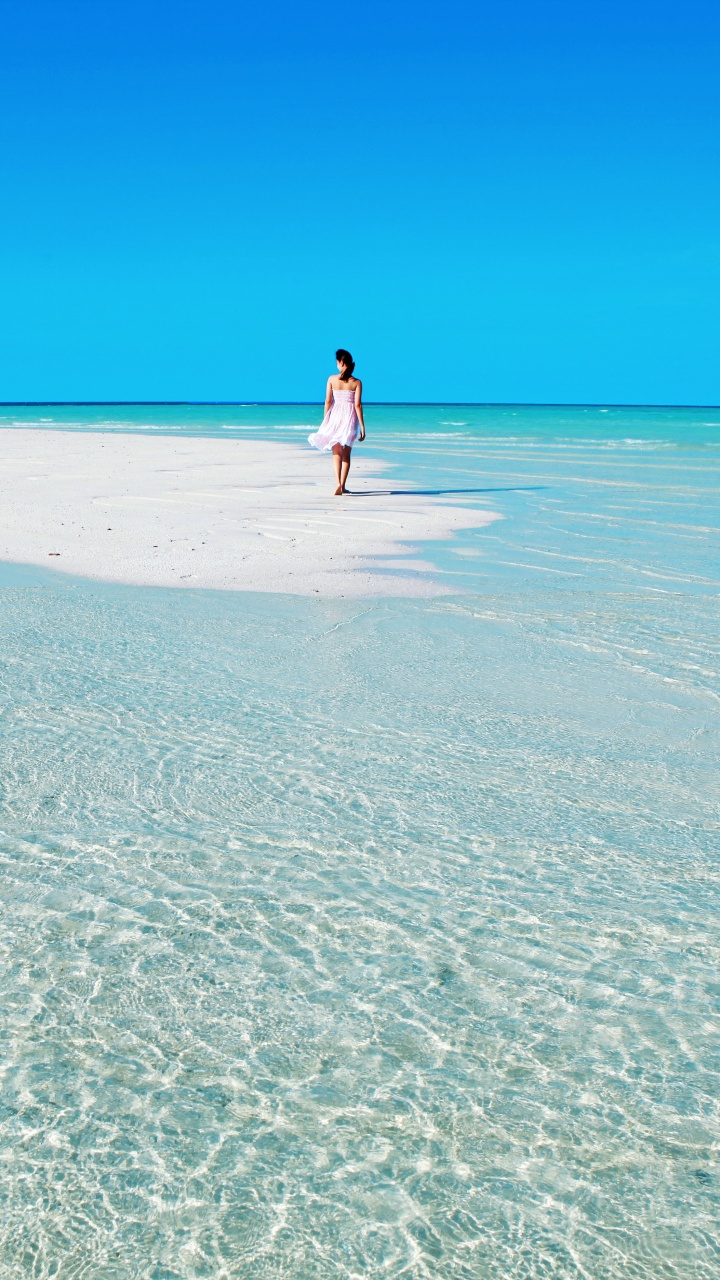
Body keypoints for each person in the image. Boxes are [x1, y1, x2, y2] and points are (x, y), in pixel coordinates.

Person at [308, 348, 366, 494]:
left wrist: (326, 420)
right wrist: (363, 427)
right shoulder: (357, 382)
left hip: (335, 416)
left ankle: (337, 483)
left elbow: (328, 401)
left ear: (340, 362)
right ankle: (343, 485)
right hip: (350, 418)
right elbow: (357, 405)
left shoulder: (332, 379)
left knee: (336, 453)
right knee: (346, 454)